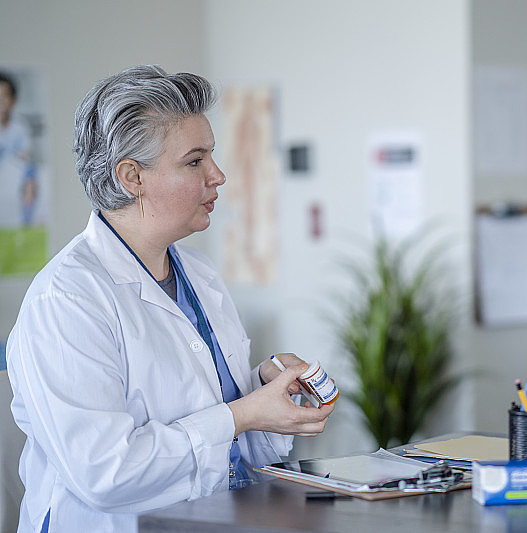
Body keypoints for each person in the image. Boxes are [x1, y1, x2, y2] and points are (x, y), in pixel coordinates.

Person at [6, 65, 335, 532]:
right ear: (132, 177)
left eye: (212, 157)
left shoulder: (198, 273)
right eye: (195, 160)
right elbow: (106, 473)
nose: (218, 176)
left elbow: (224, 434)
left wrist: (262, 392)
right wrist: (241, 414)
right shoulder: (66, 299)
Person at [0, 71, 37, 227]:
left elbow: (25, 157)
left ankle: (25, 222)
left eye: (4, 96)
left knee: (30, 180)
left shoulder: (20, 128)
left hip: (15, 173)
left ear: (13, 101)